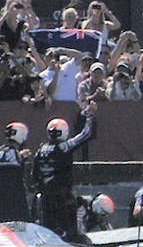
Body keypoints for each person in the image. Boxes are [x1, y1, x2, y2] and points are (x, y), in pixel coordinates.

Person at [32, 102, 98, 239]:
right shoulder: (64, 147)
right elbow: (86, 134)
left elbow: (34, 174)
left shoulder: (40, 150)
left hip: (45, 197)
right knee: (69, 231)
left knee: (49, 233)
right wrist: (90, 116)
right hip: (63, 197)